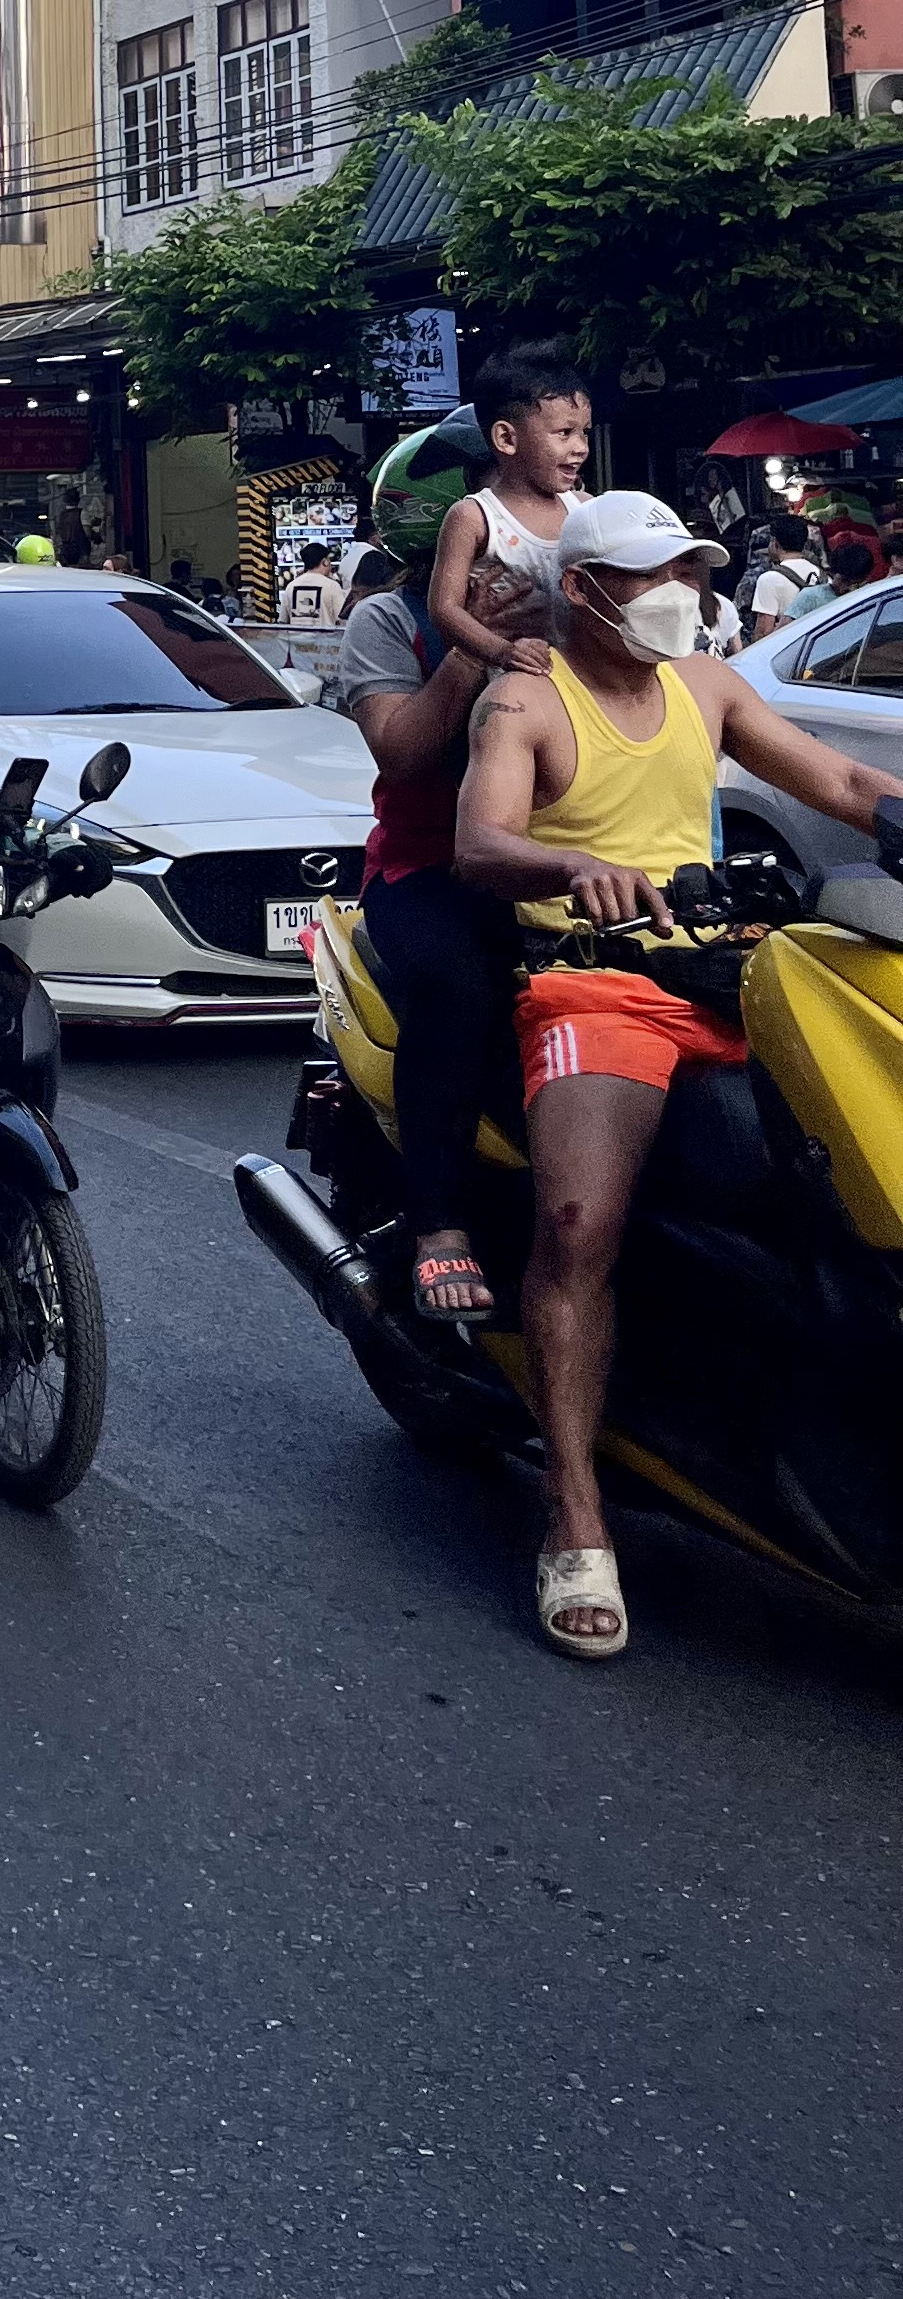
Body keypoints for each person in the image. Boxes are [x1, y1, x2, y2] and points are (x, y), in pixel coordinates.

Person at [456, 492, 898, 1662]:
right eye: (655, 575)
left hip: (737, 973)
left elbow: (845, 787)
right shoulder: (525, 696)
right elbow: (480, 841)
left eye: (693, 573)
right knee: (577, 1219)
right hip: (592, 981)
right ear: (586, 589)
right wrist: (573, 863)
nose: (681, 595)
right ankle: (577, 1516)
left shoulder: (709, 688)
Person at [332, 419, 537, 1322]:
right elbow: (403, 755)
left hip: (563, 873)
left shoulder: (571, 604)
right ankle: (441, 1224)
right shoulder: (386, 622)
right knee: (460, 987)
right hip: (428, 871)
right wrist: (468, 652)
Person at [426, 341, 589, 680]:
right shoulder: (474, 517)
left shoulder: (586, 509)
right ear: (507, 438)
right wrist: (502, 651)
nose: (581, 448)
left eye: (584, 432)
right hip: (515, 685)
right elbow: (444, 608)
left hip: (586, 683)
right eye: (564, 433)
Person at [744, 512, 823, 643]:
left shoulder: (769, 580)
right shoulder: (823, 577)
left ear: (774, 543)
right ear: (804, 544)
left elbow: (763, 632)